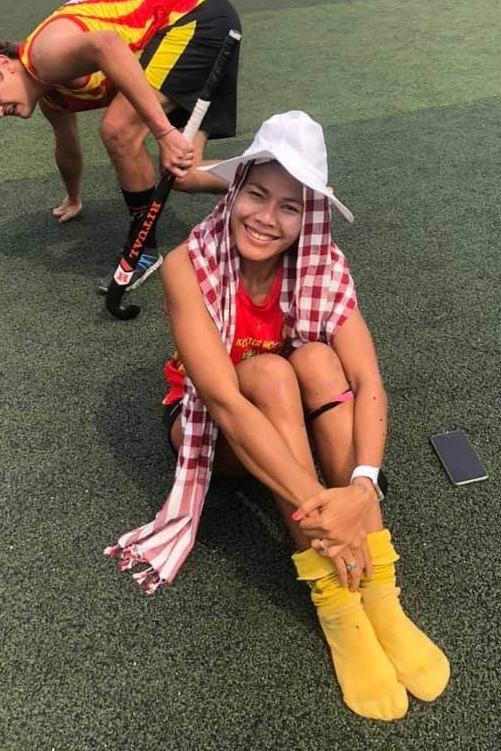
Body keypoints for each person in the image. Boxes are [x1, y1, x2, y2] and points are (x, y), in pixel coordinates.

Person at [105, 110, 450, 721]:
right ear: (234, 191)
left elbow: (368, 380)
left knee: (318, 361)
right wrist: (332, 511)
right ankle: (337, 598)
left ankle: (381, 594)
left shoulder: (323, 264)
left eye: (289, 207)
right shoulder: (188, 263)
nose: (267, 219)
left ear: (308, 217)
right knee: (268, 372)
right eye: (257, 195)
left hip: (287, 411)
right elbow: (225, 403)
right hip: (211, 429)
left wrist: (362, 487)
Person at [0, 0, 241, 292]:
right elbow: (67, 148)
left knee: (118, 130)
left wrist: (164, 133)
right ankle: (278, 177)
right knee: (184, 174)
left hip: (191, 16)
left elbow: (106, 43)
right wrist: (73, 197)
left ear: (4, 64)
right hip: (187, 29)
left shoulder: (44, 57)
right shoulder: (52, 98)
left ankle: (142, 252)